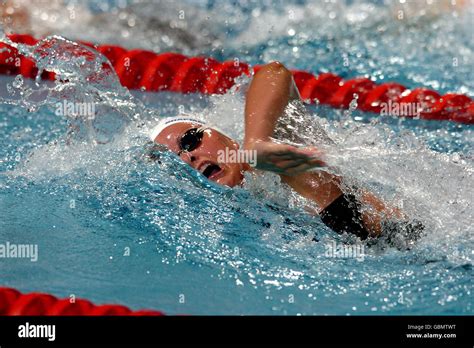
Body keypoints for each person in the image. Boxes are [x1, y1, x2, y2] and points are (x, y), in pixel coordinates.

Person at [149, 62, 423, 248]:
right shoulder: (229, 217)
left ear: (223, 136)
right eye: (176, 161)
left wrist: (257, 140)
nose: (188, 159)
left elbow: (274, 72)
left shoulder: (272, 150)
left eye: (190, 141)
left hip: (414, 238)